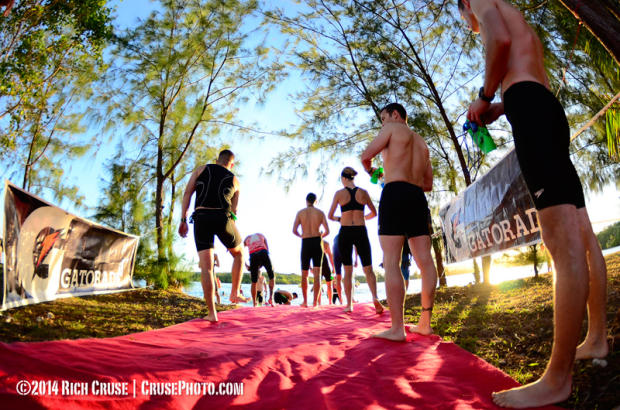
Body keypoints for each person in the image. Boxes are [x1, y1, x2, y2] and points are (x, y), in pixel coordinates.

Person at [456, 1, 608, 407]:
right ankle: (596, 337)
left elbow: (500, 41)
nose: (469, 25)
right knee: (581, 231)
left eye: (464, 19)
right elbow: (526, 66)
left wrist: (485, 97)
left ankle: (557, 379)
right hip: (544, 106)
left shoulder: (480, 1)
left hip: (531, 110)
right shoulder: (515, 13)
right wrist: (500, 107)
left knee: (561, 241)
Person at [361, 102, 437, 341]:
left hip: (394, 193)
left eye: (383, 118)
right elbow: (428, 184)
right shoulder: (422, 143)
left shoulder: (392, 128)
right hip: (417, 197)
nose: (382, 123)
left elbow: (366, 156)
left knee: (391, 261)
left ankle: (397, 329)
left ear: (395, 114)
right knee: (425, 260)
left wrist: (373, 171)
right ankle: (425, 323)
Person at [179, 149, 248, 322]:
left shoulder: (201, 169)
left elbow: (187, 193)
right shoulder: (235, 180)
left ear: (217, 160)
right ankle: (234, 292)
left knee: (207, 268)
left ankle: (212, 314)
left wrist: (183, 219)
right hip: (222, 218)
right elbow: (234, 212)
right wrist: (230, 236)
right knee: (239, 254)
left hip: (201, 218)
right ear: (231, 164)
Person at [328, 167, 384, 314]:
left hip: (345, 231)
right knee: (368, 269)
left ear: (344, 178)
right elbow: (374, 212)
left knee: (348, 271)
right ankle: (375, 297)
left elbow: (330, 215)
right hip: (360, 230)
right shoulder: (363, 193)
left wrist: (340, 219)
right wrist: (362, 217)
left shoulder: (339, 194)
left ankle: (349, 304)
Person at [292, 193, 330, 307]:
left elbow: (294, 230)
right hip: (317, 241)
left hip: (306, 242)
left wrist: (302, 235)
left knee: (304, 274)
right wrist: (321, 236)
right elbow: (327, 231)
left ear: (306, 201)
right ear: (315, 201)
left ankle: (305, 302)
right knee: (317, 274)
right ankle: (315, 303)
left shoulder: (300, 213)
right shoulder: (320, 213)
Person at [243, 233, 276, 306]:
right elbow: (267, 247)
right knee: (271, 276)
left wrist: (245, 264)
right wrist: (267, 255)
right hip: (263, 252)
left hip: (253, 255)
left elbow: (240, 249)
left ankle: (254, 303)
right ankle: (271, 298)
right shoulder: (260, 235)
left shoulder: (247, 238)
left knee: (254, 281)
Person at [317, 239, 335, 305]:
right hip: (318, 266)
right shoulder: (314, 242)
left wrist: (333, 267)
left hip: (325, 266)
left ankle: (330, 302)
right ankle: (319, 303)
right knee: (318, 285)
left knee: (329, 284)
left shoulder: (326, 243)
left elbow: (330, 255)